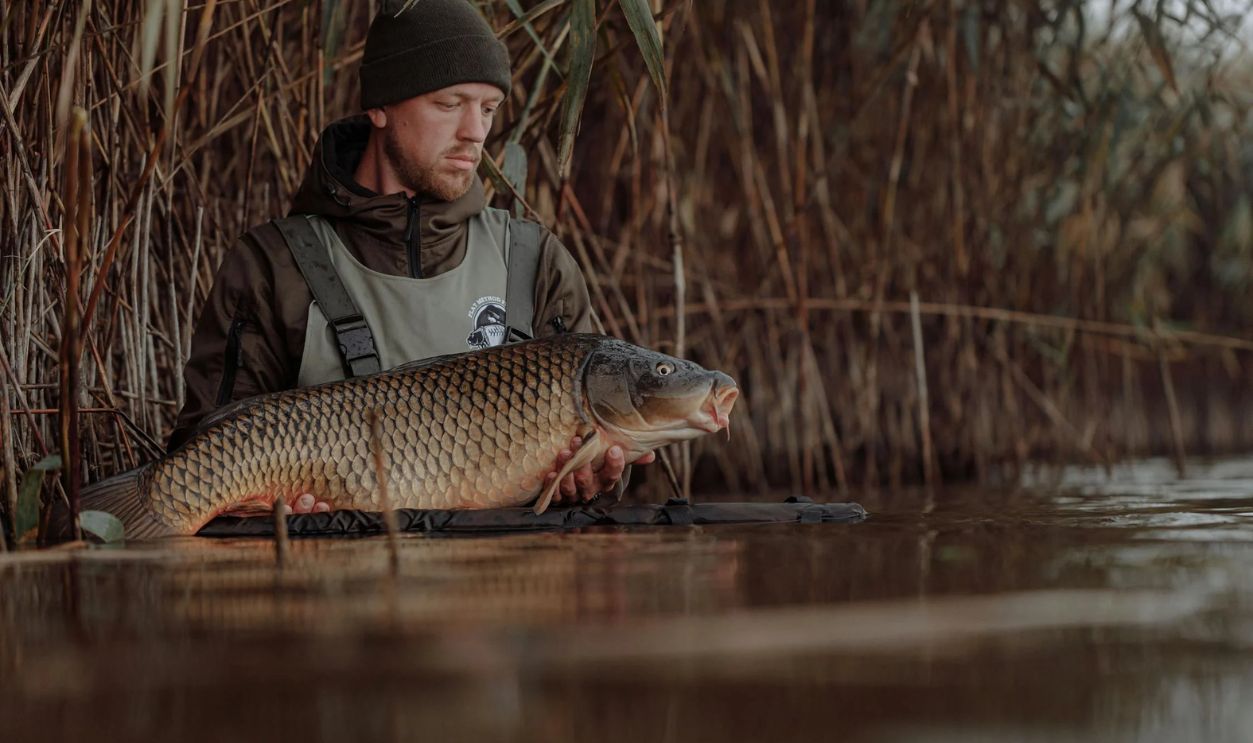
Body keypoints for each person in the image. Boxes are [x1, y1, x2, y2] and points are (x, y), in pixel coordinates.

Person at [171, 0, 651, 512]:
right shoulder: (273, 264)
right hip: (335, 583)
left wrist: (595, 482)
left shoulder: (534, 261)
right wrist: (257, 513)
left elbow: (599, 476)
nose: (476, 132)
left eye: (488, 109)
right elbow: (205, 450)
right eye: (450, 104)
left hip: (506, 582)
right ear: (380, 107)